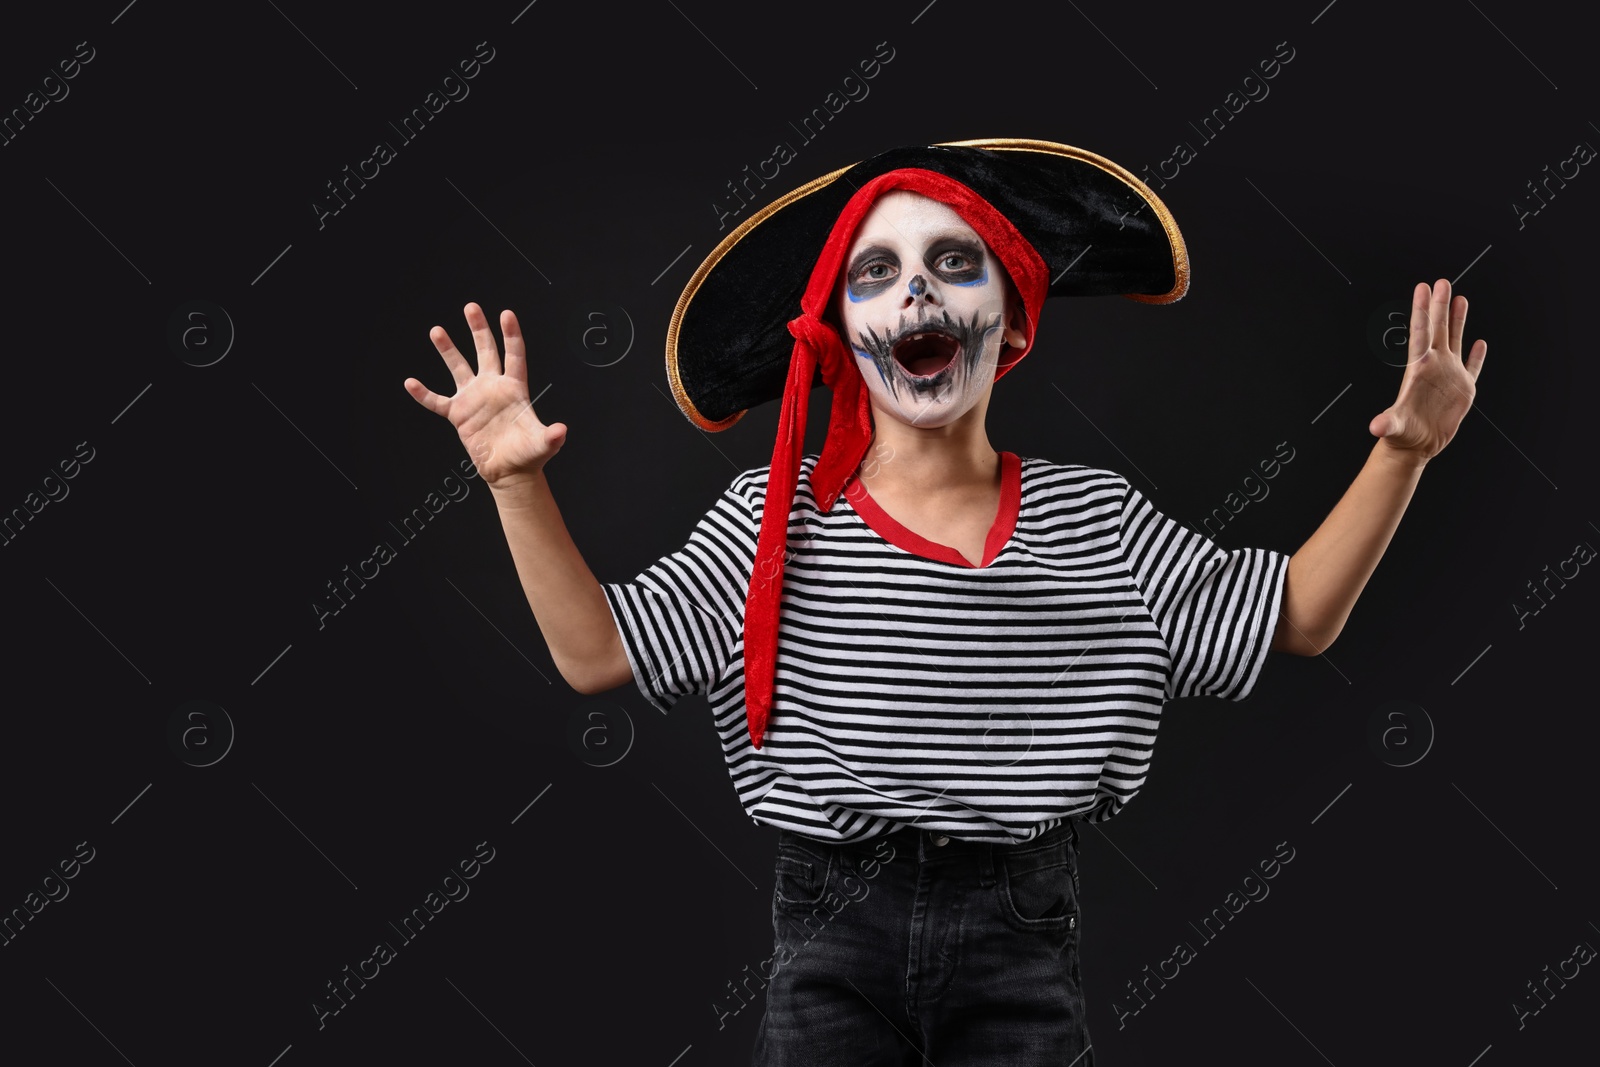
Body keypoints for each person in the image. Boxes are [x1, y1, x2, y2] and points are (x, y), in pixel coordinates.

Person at [403, 140, 1485, 1066]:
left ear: (1009, 313)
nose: (915, 293)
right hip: (830, 923)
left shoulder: (1096, 518)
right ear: (836, 327)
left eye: (951, 263)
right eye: (875, 272)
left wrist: (1410, 452)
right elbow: (598, 654)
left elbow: (1292, 614)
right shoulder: (771, 516)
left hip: (1021, 925)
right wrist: (514, 481)